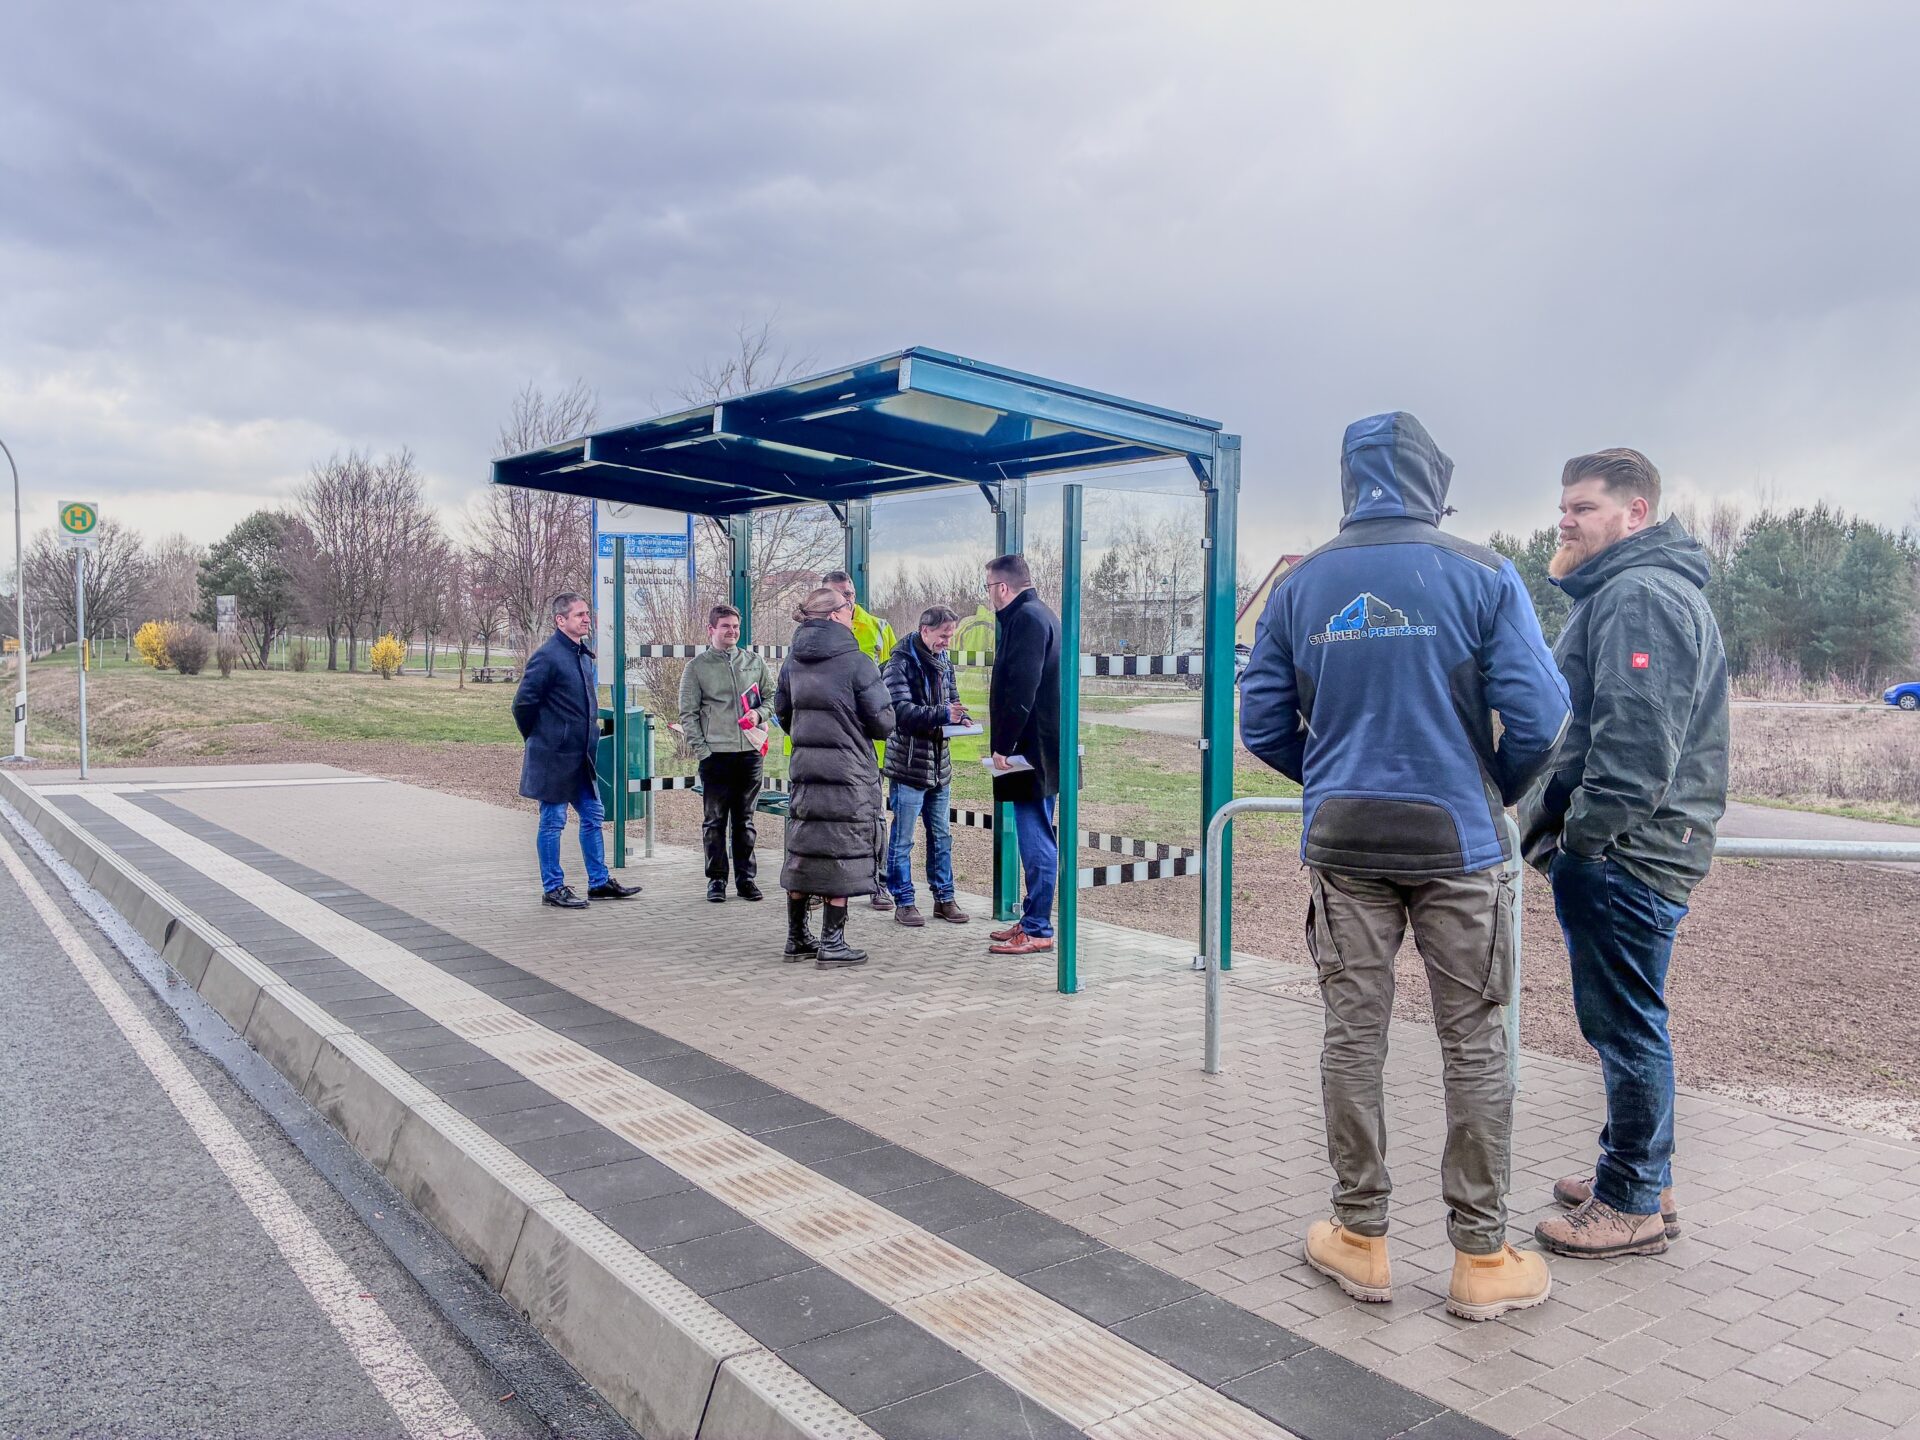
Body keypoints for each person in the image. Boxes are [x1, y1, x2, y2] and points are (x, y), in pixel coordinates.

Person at [1240, 412, 1570, 1323]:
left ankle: (1360, 1239)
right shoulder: (1482, 574)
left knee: (1353, 1036)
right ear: (1434, 482)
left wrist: (1335, 778)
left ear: (1351, 481)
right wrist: (1490, 786)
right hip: (1459, 843)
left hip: (1344, 846)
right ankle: (1482, 1256)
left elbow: (1260, 721)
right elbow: (1544, 718)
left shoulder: (1302, 584)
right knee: (1476, 1042)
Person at [1519, 449, 1729, 1260]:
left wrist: (1581, 842)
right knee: (1628, 1020)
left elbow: (1636, 748)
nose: (1564, 521)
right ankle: (1642, 1176)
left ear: (1635, 513)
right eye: (1563, 507)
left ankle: (1631, 1203)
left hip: (1625, 857)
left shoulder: (1639, 595)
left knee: (1628, 1027)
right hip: (1632, 851)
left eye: (1583, 507)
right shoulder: (1630, 590)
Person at [775, 586, 896, 967]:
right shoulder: (857, 662)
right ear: (833, 616)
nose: (852, 613)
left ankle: (797, 938)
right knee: (840, 849)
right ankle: (833, 942)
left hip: (806, 771)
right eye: (847, 608)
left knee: (804, 848)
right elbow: (883, 723)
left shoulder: (792, 662)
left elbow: (783, 713)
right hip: (848, 773)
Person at [512, 592, 642, 910]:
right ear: (561, 620)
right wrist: (542, 738)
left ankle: (599, 882)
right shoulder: (548, 656)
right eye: (579, 614)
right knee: (553, 820)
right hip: (554, 756)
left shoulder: (582, 654)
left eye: (587, 614)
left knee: (593, 815)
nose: (587, 619)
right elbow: (522, 705)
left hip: (581, 755)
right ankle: (552, 888)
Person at [983, 554, 1062, 957]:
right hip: (1040, 747)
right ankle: (1032, 918)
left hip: (1031, 752)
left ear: (1002, 587)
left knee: (1036, 839)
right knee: (1036, 833)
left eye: (988, 587)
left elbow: (1022, 686)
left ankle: (1037, 928)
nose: (989, 596)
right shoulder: (1040, 614)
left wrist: (1005, 745)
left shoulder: (1027, 619)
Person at [880, 605, 972, 927]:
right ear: (925, 630)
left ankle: (944, 898)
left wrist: (961, 717)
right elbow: (900, 712)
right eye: (943, 635)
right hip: (908, 766)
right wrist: (944, 715)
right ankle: (904, 901)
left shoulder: (945, 661)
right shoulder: (899, 663)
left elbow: (952, 701)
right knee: (903, 838)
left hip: (939, 766)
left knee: (942, 836)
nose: (948, 641)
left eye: (951, 635)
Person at [679, 603, 775, 904]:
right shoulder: (697, 668)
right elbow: (687, 714)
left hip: (749, 753)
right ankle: (716, 880)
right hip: (716, 756)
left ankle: (746, 880)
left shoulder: (754, 662)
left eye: (735, 626)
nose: (732, 631)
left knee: (745, 821)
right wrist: (703, 751)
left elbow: (772, 698)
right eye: (725, 626)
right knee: (715, 821)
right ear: (711, 629)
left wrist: (759, 715)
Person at [821, 568, 900, 911]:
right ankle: (820, 887)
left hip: (867, 744)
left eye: (850, 593)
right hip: (826, 745)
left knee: (873, 816)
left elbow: (892, 685)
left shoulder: (879, 628)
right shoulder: (812, 633)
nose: (847, 600)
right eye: (839, 595)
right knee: (823, 818)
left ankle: (878, 884)